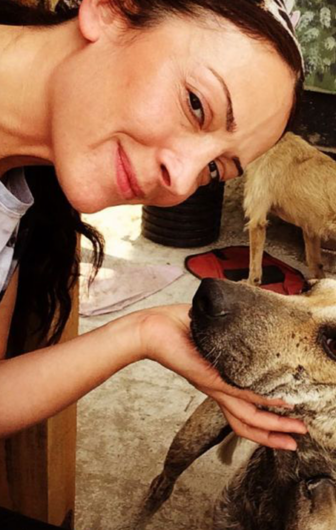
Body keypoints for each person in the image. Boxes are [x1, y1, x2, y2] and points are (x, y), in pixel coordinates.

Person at [0, 0, 307, 451]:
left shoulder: (19, 194)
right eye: (196, 105)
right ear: (110, 9)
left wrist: (142, 332)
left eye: (215, 170)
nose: (182, 181)